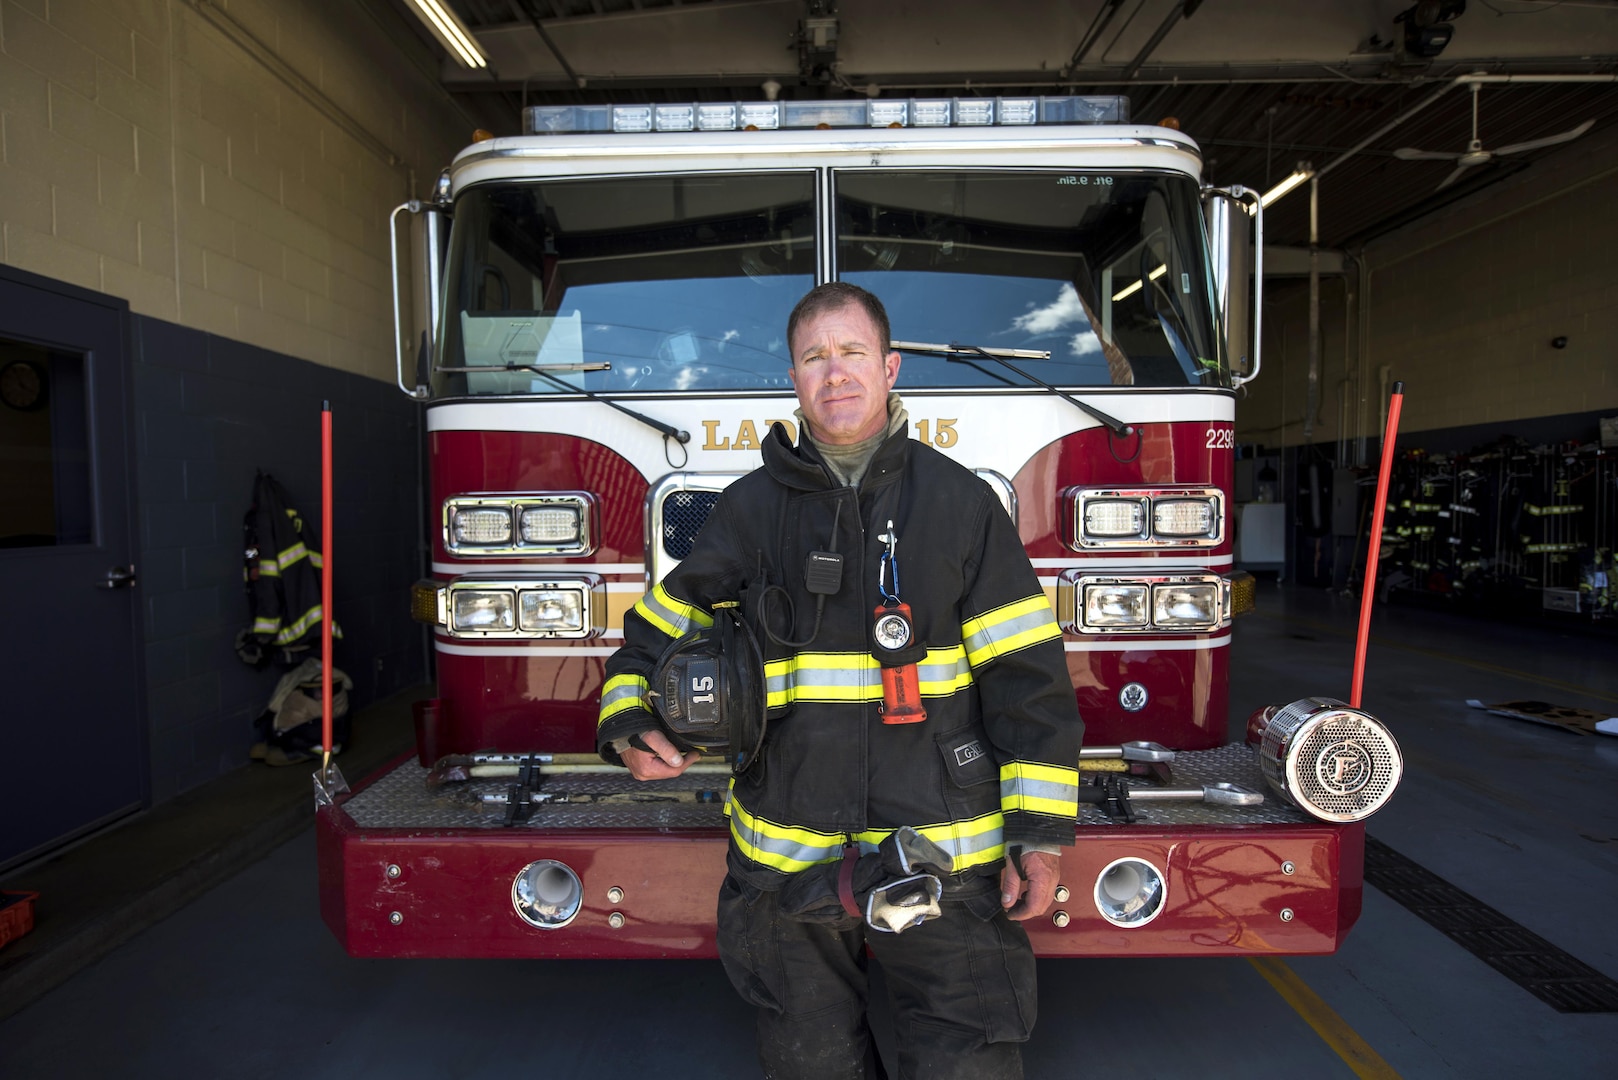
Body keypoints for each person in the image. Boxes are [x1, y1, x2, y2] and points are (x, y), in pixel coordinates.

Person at [597, 282, 1083, 1079]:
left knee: (969, 1063)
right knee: (811, 1063)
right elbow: (658, 625)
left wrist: (1038, 835)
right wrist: (624, 717)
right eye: (815, 357)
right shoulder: (750, 511)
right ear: (793, 378)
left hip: (942, 855)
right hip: (788, 867)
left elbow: (1026, 677)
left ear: (890, 368)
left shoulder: (961, 505)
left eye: (853, 352)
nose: (836, 373)